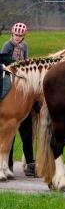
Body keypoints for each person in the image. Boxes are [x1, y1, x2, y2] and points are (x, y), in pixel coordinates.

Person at [2, 22, 35, 177]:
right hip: (9, 77)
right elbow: (3, 63)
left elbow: (27, 62)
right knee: (10, 132)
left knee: (27, 128)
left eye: (20, 35)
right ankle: (7, 162)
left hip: (22, 80)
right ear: (12, 34)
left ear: (23, 36)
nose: (17, 37)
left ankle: (30, 162)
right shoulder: (7, 45)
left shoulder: (25, 46)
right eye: (16, 35)